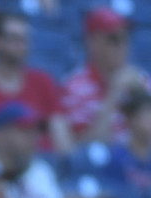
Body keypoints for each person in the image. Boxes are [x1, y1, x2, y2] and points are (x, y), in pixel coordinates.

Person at [0, 11, 70, 153]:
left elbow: (61, 137)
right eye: (14, 39)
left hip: (45, 160)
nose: (22, 45)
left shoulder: (42, 81)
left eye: (25, 39)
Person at [60, 7, 151, 147]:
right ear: (92, 43)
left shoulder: (142, 81)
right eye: (114, 39)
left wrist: (141, 97)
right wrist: (114, 93)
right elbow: (87, 150)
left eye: (125, 37)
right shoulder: (73, 88)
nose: (122, 45)